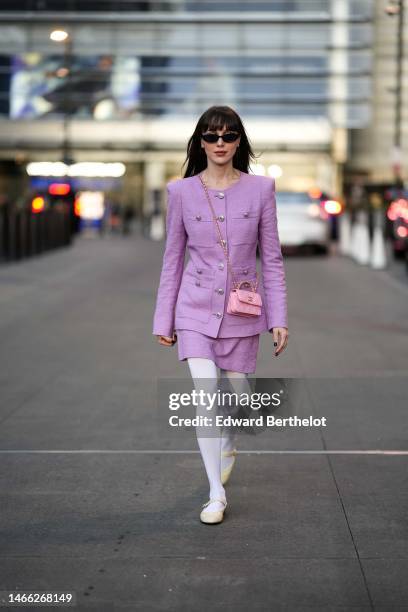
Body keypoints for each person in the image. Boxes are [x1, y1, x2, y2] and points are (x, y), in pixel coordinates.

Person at [152, 105, 289, 524]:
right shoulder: (180, 192)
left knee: (241, 397)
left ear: (239, 142)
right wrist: (164, 320)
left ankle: (229, 440)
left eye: (228, 136)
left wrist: (278, 317)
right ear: (200, 143)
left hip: (242, 310)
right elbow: (173, 258)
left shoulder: (261, 190)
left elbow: (274, 260)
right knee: (206, 397)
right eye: (211, 137)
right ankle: (215, 494)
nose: (220, 144)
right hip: (193, 310)